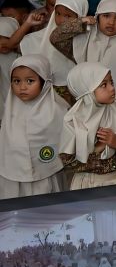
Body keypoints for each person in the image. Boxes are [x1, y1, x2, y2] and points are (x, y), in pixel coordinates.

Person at [59, 63, 116, 189]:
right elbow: (67, 161)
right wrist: (97, 149)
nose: (112, 88)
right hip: (87, 184)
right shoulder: (73, 121)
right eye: (103, 85)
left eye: (111, 82)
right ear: (87, 91)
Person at [0, 54, 68, 196]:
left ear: (44, 82)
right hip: (14, 177)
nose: (22, 87)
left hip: (46, 174)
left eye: (30, 81)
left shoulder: (58, 110)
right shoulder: (10, 110)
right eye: (16, 81)